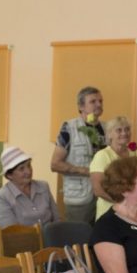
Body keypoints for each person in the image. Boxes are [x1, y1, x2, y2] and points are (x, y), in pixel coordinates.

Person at [50, 86, 105, 224]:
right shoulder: (69, 128)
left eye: (100, 101)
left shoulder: (107, 128)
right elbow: (55, 164)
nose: (98, 104)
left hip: (104, 196)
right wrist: (86, 171)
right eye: (93, 101)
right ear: (81, 106)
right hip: (79, 198)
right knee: (79, 235)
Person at [0, 145, 59, 228]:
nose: (28, 171)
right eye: (21, 169)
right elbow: (11, 231)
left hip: (51, 236)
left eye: (29, 165)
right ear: (9, 175)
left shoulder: (43, 186)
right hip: (23, 237)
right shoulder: (2, 197)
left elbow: (57, 220)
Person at [89, 116, 137, 220]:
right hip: (109, 214)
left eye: (127, 129)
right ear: (109, 134)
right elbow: (98, 189)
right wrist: (124, 203)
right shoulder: (102, 155)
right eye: (119, 130)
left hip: (135, 212)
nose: (124, 133)